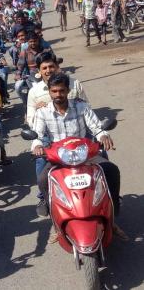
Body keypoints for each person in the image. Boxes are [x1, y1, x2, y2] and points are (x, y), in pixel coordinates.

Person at [31, 73, 121, 223]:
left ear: (68, 90)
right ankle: (55, 218)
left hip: (84, 154)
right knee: (42, 180)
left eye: (61, 90)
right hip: (59, 157)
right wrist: (38, 145)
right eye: (54, 91)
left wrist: (103, 135)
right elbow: (37, 135)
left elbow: (97, 127)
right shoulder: (42, 112)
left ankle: (114, 208)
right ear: (49, 91)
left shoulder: (81, 106)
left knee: (111, 170)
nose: (58, 94)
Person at [15, 32, 51, 106]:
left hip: (47, 74)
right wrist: (18, 74)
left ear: (38, 40)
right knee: (18, 87)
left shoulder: (45, 50)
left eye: (34, 41)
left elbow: (54, 61)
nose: (33, 43)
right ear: (27, 42)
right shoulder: (25, 52)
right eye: (30, 41)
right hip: (31, 76)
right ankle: (26, 106)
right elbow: (20, 64)